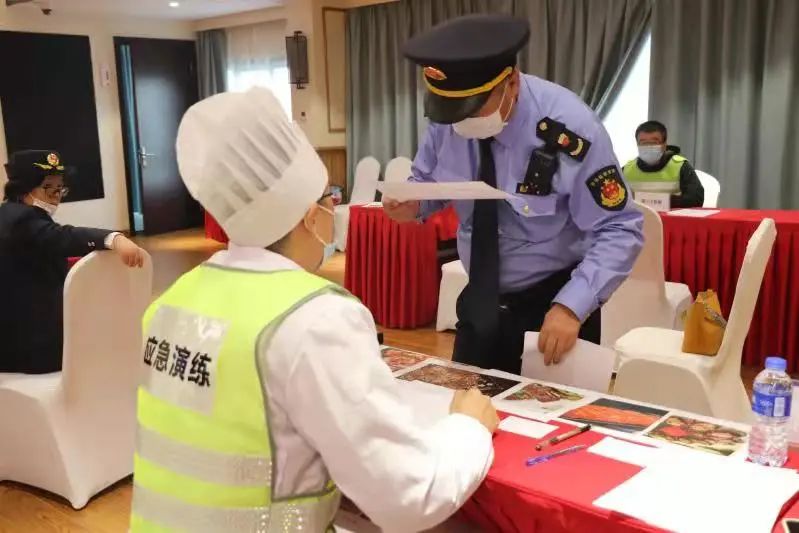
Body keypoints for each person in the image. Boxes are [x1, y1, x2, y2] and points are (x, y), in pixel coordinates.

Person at [129, 88, 498, 533]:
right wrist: (469, 428)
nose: (334, 208)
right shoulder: (315, 318)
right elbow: (408, 497)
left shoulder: (169, 302)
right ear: (310, 215)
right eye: (330, 197)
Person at [383, 15, 644, 373]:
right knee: (467, 403)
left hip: (553, 305)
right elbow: (429, 180)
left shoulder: (571, 129)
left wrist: (572, 306)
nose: (463, 122)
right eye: (455, 111)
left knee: (551, 409)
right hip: (481, 298)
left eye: (474, 107)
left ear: (512, 82)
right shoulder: (449, 120)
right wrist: (413, 204)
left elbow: (620, 227)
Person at [0, 149, 145, 374]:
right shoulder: (21, 219)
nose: (57, 196)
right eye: (50, 188)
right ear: (25, 190)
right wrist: (112, 238)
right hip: (29, 345)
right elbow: (61, 236)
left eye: (60, 188)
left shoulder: (10, 212)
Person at [622, 120, 705, 208]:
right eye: (643, 143)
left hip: (672, 216)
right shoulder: (626, 170)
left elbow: (696, 199)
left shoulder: (680, 166)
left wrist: (657, 200)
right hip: (638, 217)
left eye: (654, 143)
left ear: (664, 145)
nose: (648, 146)